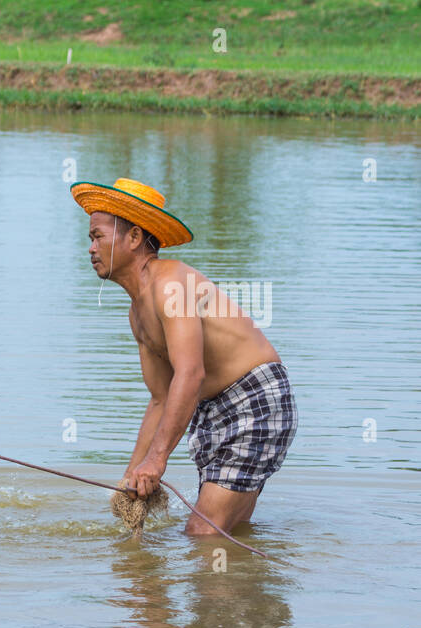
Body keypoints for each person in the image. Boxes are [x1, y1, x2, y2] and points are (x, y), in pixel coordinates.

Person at [71, 178, 296, 535]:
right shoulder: (138, 312)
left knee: (202, 532)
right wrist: (132, 475)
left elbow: (189, 373)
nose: (91, 248)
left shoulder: (170, 284)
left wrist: (156, 461)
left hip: (254, 398)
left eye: (98, 236)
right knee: (224, 532)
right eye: (90, 239)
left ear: (133, 238)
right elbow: (161, 397)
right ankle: (246, 585)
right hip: (213, 408)